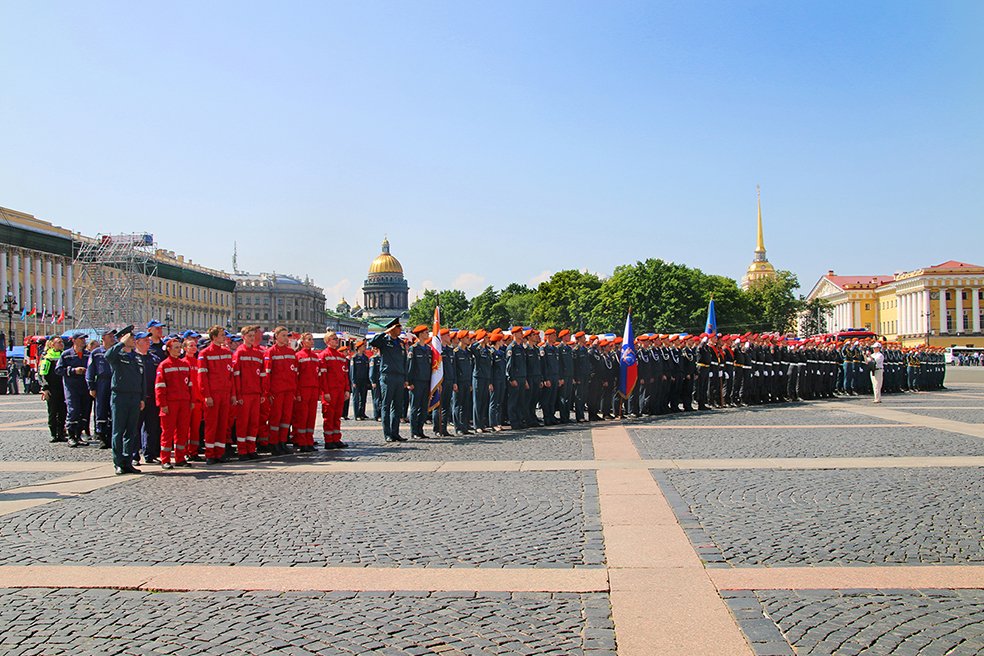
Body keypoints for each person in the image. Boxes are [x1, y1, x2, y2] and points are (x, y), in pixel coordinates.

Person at [105, 326, 144, 475]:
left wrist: (142, 398)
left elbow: (142, 379)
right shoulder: (117, 355)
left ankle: (128, 462)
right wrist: (121, 343)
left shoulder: (136, 357)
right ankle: (118, 462)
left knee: (131, 431)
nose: (133, 340)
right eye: (131, 338)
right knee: (118, 431)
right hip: (120, 396)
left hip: (135, 396)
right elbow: (108, 356)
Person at [155, 337, 194, 469]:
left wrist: (191, 400)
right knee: (168, 432)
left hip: (184, 402)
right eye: (176, 347)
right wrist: (162, 404)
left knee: (183, 431)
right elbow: (160, 387)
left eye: (179, 347)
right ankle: (165, 459)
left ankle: (180, 458)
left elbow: (190, 385)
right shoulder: (164, 365)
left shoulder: (185, 365)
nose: (179, 350)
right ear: (169, 349)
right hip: (170, 403)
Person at [198, 325, 234, 464]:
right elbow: (202, 377)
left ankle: (219, 452)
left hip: (225, 393)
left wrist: (232, 394)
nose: (224, 337)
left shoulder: (227, 352)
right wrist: (206, 395)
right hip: (212, 394)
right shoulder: (205, 353)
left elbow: (230, 375)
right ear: (214, 337)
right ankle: (210, 454)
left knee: (222, 424)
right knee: (211, 425)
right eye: (221, 335)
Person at [368, 318, 407, 442]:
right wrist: (385, 332)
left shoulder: (401, 343)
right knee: (386, 405)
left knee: (397, 406)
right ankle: (387, 434)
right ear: (392, 329)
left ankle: (395, 433)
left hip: (399, 376)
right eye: (398, 327)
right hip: (388, 376)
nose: (400, 329)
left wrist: (405, 378)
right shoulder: (384, 341)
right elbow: (372, 342)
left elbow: (404, 361)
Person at [265, 326, 298, 455]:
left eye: (287, 336)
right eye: (283, 335)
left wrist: (294, 390)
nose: (286, 338)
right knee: (275, 418)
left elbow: (294, 373)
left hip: (288, 390)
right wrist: (268, 392)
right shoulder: (271, 352)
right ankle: (274, 443)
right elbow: (267, 374)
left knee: (286, 418)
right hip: (277, 391)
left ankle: (282, 441)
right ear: (276, 337)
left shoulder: (291, 352)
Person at [232, 325, 264, 460]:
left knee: (253, 423)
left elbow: (261, 375)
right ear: (243, 337)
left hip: (255, 393)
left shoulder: (258, 354)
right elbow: (236, 376)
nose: (252, 338)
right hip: (244, 394)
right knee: (243, 423)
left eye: (253, 336)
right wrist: (238, 395)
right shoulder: (239, 353)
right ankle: (242, 450)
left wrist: (262, 393)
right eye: (249, 336)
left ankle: (251, 448)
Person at [56, 333, 90, 447]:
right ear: (74, 340)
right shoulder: (66, 355)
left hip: (85, 387)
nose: (83, 341)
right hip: (72, 388)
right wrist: (73, 371)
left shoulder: (88, 354)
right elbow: (59, 370)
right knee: (73, 410)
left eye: (84, 339)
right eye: (81, 339)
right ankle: (71, 436)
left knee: (84, 412)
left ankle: (78, 435)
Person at [292, 332, 321, 452]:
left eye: (312, 339)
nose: (312, 341)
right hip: (303, 390)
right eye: (309, 339)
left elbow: (318, 375)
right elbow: (295, 377)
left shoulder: (315, 356)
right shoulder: (298, 356)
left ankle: (309, 440)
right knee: (302, 417)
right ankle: (301, 441)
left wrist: (319, 391)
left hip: (313, 389)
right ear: (303, 342)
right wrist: (297, 393)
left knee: (311, 417)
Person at [39, 336, 67, 444]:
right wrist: (45, 388)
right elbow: (42, 374)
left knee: (63, 412)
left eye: (62, 342)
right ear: (52, 344)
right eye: (58, 342)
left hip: (63, 388)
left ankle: (61, 433)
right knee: (52, 412)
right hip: (52, 388)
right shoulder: (47, 357)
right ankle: (54, 434)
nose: (61, 344)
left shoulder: (65, 355)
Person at [349, 340, 370, 420]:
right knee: (356, 398)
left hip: (364, 380)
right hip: (356, 380)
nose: (365, 347)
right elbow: (352, 370)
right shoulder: (354, 358)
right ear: (359, 348)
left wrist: (368, 381)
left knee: (363, 398)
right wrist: (353, 381)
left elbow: (367, 370)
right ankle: (357, 414)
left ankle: (362, 413)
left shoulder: (365, 358)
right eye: (363, 346)